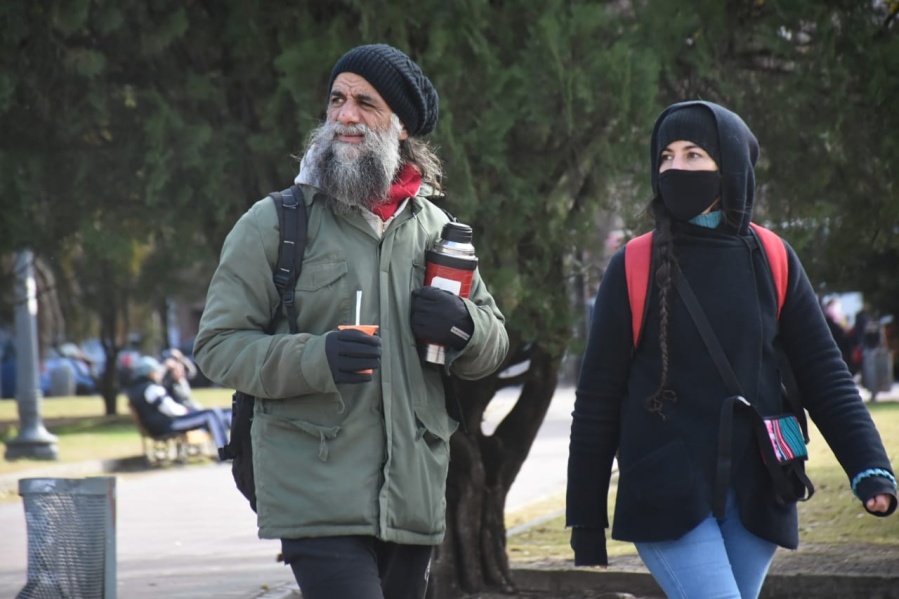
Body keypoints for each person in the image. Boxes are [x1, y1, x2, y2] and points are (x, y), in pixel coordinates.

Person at [193, 43, 508, 599]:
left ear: (402, 126)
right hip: (315, 490)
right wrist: (316, 358)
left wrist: (463, 325)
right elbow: (218, 345)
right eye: (337, 99)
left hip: (412, 494)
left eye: (366, 102)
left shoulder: (438, 229)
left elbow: (492, 342)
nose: (345, 115)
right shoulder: (274, 222)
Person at [566, 101, 897, 599]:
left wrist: (870, 467)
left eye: (694, 154)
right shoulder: (632, 265)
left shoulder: (774, 257)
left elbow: (824, 373)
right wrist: (586, 519)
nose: (676, 167)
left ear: (732, 165)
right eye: (666, 157)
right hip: (666, 494)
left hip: (761, 487)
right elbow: (596, 402)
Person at [126, 356, 231, 451]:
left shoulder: (136, 389)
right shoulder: (152, 389)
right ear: (150, 373)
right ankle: (225, 452)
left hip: (156, 426)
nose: (158, 373)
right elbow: (170, 409)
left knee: (213, 414)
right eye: (156, 371)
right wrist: (187, 411)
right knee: (211, 414)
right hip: (168, 424)